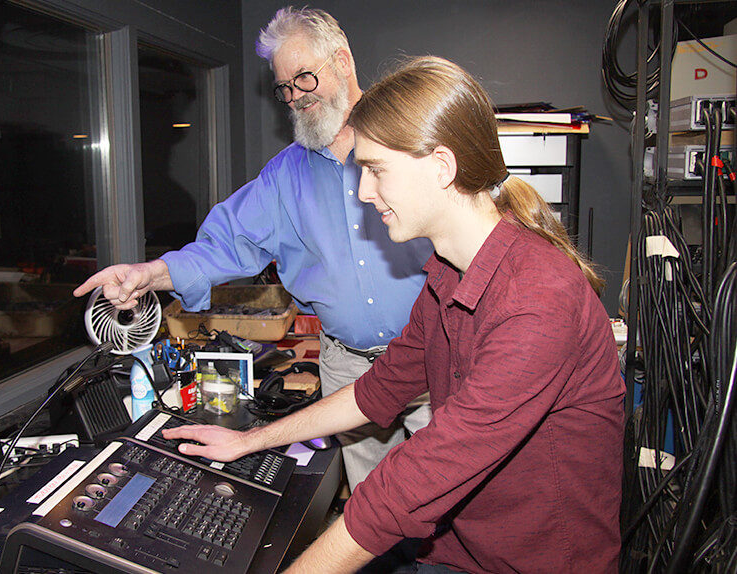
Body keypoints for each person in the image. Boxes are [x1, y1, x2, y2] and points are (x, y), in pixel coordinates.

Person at [162, 56, 626, 573]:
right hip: (458, 549)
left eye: (376, 170)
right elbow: (377, 391)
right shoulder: (446, 275)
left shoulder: (537, 298)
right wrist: (249, 441)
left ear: (442, 167)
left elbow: (424, 473)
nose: (363, 193)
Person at [73, 7, 434, 491]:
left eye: (304, 78)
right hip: (346, 365)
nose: (295, 98)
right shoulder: (285, 176)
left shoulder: (412, 139)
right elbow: (224, 245)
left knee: (454, 507)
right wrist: (147, 274)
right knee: (375, 510)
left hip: (433, 358)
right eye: (284, 88)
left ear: (343, 61)